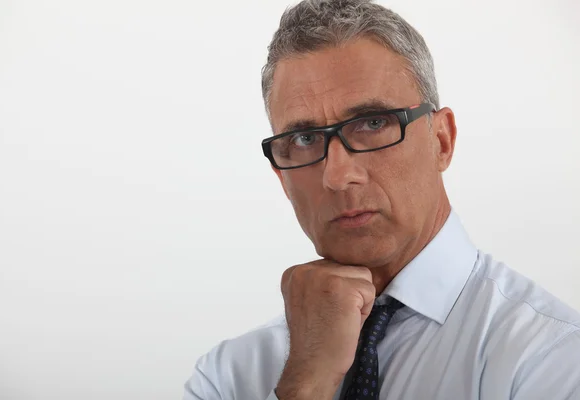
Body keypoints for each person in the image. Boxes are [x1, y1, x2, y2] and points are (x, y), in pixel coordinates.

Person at [183, 0, 580, 399]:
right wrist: (306, 383)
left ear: (441, 141)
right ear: (280, 175)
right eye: (303, 139)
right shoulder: (227, 375)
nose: (337, 176)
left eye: (373, 123)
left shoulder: (554, 357)